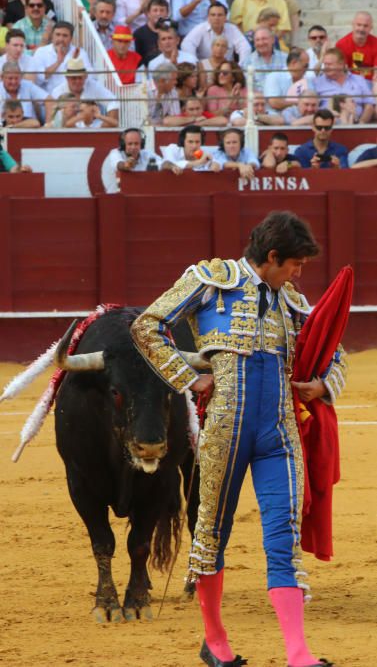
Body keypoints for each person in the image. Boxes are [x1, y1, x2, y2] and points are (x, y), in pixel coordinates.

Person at [130, 209, 346, 667]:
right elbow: (147, 325)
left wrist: (323, 384)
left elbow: (334, 349)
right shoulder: (211, 280)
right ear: (272, 257)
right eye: (295, 264)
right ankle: (216, 640)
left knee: (281, 534)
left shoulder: (289, 298)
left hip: (279, 433)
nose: (299, 273)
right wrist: (188, 377)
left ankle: (298, 653)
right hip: (226, 429)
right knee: (211, 533)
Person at [50, 57, 119, 125]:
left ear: (85, 77)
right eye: (74, 78)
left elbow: (113, 101)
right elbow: (55, 118)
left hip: (93, 126)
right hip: (68, 129)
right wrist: (83, 115)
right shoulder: (57, 92)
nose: (77, 81)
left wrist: (101, 117)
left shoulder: (93, 86)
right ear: (67, 78)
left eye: (80, 78)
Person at [314, 47, 375, 124]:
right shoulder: (317, 82)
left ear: (341, 64)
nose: (326, 67)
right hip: (327, 126)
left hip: (356, 123)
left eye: (329, 64)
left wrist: (360, 124)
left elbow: (369, 106)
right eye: (325, 64)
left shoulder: (358, 80)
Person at [180, 2, 251, 68]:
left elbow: (245, 48)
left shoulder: (232, 29)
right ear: (208, 17)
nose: (216, 18)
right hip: (206, 68)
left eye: (220, 15)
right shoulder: (200, 28)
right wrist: (195, 65)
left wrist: (240, 67)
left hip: (227, 67)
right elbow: (187, 44)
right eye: (213, 15)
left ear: (225, 17)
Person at [31, 21, 93, 93]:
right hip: (48, 98)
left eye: (65, 36)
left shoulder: (79, 52)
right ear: (52, 36)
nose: (61, 39)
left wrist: (74, 62)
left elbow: (90, 77)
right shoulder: (41, 52)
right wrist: (58, 62)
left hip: (73, 96)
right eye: (58, 35)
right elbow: (38, 78)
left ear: (71, 38)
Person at [105, 127, 163, 192]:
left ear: (141, 144)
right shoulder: (115, 153)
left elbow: (162, 164)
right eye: (130, 144)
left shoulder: (147, 154)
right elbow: (119, 165)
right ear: (123, 145)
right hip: (117, 198)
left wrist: (170, 165)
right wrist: (126, 165)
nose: (133, 147)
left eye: (136, 143)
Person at [336, 11, 377, 81]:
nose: (361, 29)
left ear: (371, 28)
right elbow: (343, 71)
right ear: (353, 25)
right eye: (359, 25)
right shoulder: (341, 44)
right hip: (350, 82)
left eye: (365, 26)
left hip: (371, 82)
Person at [245, 25, 287, 91]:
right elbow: (248, 89)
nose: (261, 43)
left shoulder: (285, 58)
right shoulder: (247, 62)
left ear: (272, 40)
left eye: (264, 39)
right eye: (257, 40)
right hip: (259, 100)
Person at [133, 0, 169, 66]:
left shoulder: (171, 32)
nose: (158, 13)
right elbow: (137, 59)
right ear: (148, 13)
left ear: (167, 14)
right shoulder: (139, 34)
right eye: (155, 10)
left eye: (162, 10)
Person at [163, 95, 228, 126]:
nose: (195, 112)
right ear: (185, 110)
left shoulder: (205, 115)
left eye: (198, 108)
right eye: (191, 109)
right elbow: (166, 121)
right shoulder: (183, 116)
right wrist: (193, 119)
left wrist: (203, 122)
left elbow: (224, 121)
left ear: (202, 108)